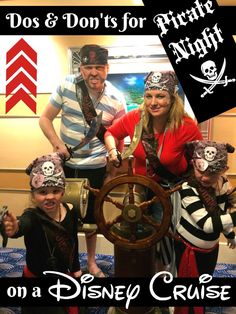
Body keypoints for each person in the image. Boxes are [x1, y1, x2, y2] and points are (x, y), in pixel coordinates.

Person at [39, 44, 126, 278]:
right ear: (81, 68)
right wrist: (57, 144)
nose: (93, 72)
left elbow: (118, 138)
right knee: (61, 217)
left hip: (96, 168)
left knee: (91, 221)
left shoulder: (117, 99)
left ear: (107, 69)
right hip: (64, 166)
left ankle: (91, 262)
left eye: (99, 67)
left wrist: (112, 172)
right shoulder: (67, 85)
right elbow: (45, 119)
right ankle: (68, 262)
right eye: (89, 67)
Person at [104, 70, 203, 272]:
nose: (153, 102)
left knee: (164, 235)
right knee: (132, 230)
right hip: (139, 187)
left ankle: (161, 277)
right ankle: (138, 274)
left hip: (170, 190)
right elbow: (110, 133)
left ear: (172, 97)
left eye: (160, 96)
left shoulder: (186, 125)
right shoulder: (134, 118)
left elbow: (199, 158)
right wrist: (113, 151)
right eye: (149, 96)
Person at [3, 152, 81, 314]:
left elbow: (73, 243)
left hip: (62, 277)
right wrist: (15, 228)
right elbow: (22, 225)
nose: (50, 197)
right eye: (43, 192)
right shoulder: (31, 216)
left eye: (55, 190)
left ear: (63, 190)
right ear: (33, 193)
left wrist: (75, 268)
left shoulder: (70, 211)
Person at [174, 140, 236, 314]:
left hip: (210, 248)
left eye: (211, 173)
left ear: (224, 171)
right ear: (193, 164)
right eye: (200, 171)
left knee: (204, 281)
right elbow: (208, 225)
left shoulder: (222, 184)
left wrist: (230, 235)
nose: (204, 177)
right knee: (186, 290)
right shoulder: (188, 188)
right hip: (188, 250)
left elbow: (220, 213)